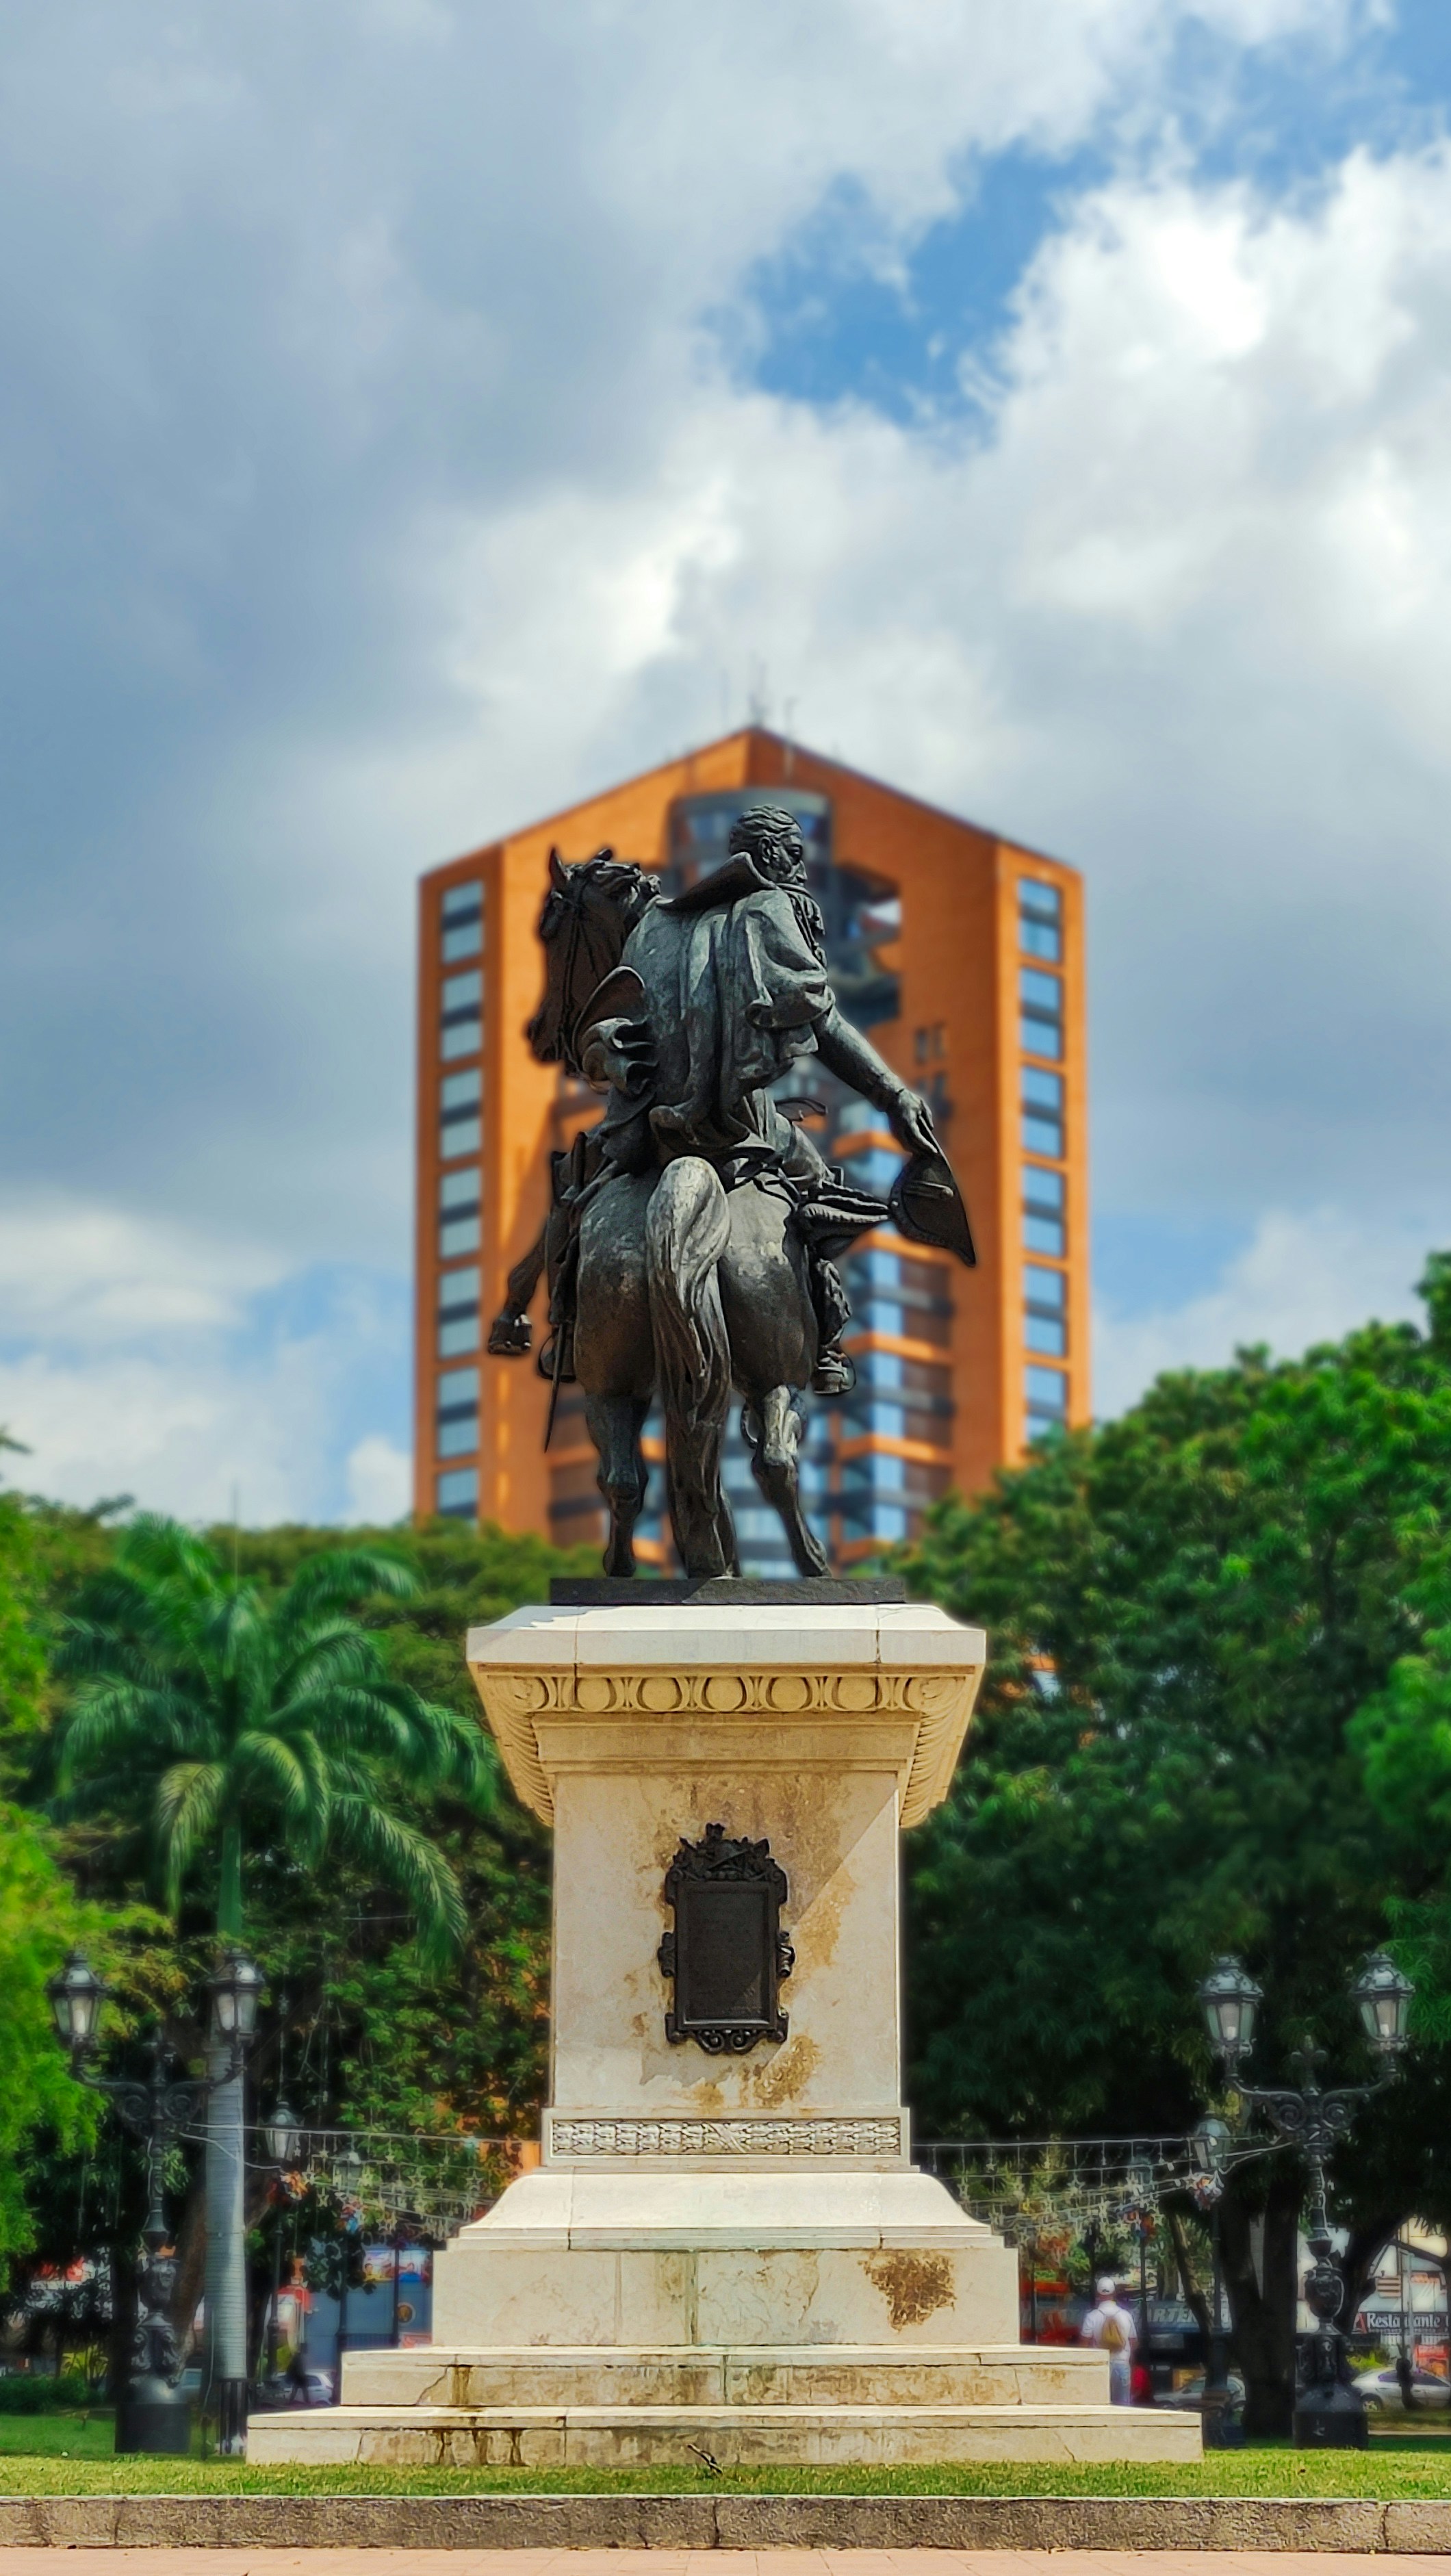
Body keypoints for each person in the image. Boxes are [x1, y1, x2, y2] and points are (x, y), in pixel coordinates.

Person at [1080, 2274, 1138, 2404]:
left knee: (1100, 2404)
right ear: (1114, 2292)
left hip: (1101, 2366)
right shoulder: (1126, 2315)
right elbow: (1134, 2342)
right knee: (1123, 2405)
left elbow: (1083, 2346)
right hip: (1122, 2364)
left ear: (1098, 2293)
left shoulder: (1092, 2317)